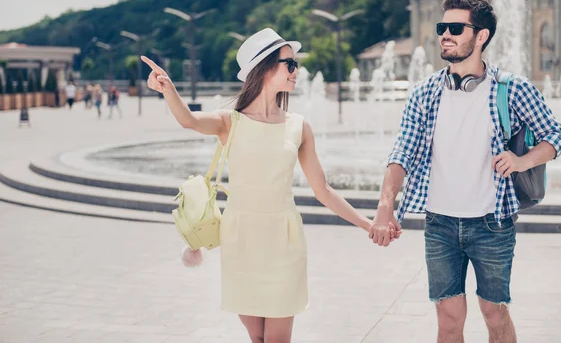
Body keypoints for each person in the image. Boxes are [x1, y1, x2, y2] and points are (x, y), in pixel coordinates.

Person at [142, 28, 396, 343]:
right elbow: (189, 120)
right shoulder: (229, 121)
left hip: (283, 240)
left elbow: (323, 190)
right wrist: (168, 89)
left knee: (276, 339)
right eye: (289, 63)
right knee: (257, 337)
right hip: (241, 239)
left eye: (295, 63)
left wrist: (367, 224)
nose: (296, 70)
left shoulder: (299, 127)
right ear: (263, 68)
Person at [370, 0, 561, 343]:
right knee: (448, 320)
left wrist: (523, 161)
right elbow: (402, 151)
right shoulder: (424, 93)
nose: (445, 34)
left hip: (492, 222)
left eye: (456, 28)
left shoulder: (512, 89)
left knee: (494, 314)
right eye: (442, 27)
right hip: (439, 223)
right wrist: (385, 206)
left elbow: (557, 135)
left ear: (481, 37)